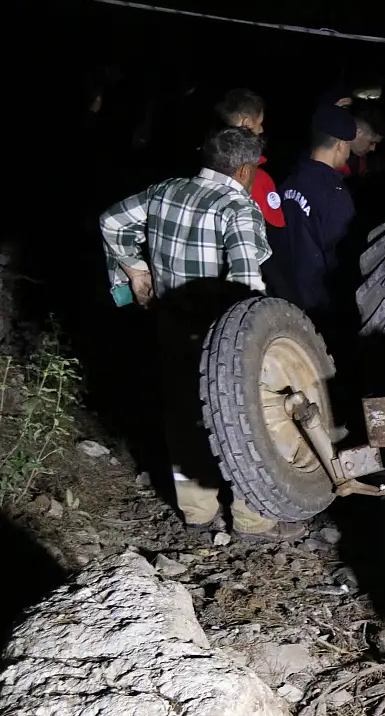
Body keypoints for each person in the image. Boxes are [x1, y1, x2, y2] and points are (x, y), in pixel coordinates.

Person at [99, 127, 297, 539]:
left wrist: (136, 271)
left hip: (171, 322)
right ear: (245, 170)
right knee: (243, 420)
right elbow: (246, 282)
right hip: (220, 337)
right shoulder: (237, 208)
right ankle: (252, 519)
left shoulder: (165, 191)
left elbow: (111, 220)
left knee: (183, 415)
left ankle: (197, 512)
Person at [276, 105, 360, 320]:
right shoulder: (334, 194)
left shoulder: (287, 181)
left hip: (285, 297)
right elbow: (343, 256)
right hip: (320, 306)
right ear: (340, 145)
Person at [214, 89, 282, 229]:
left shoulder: (207, 171)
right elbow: (274, 229)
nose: (262, 130)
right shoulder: (256, 178)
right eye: (260, 123)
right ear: (247, 124)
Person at [344, 107, 384, 178]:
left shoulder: (360, 161)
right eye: (371, 142)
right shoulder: (332, 160)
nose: (373, 149)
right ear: (358, 133)